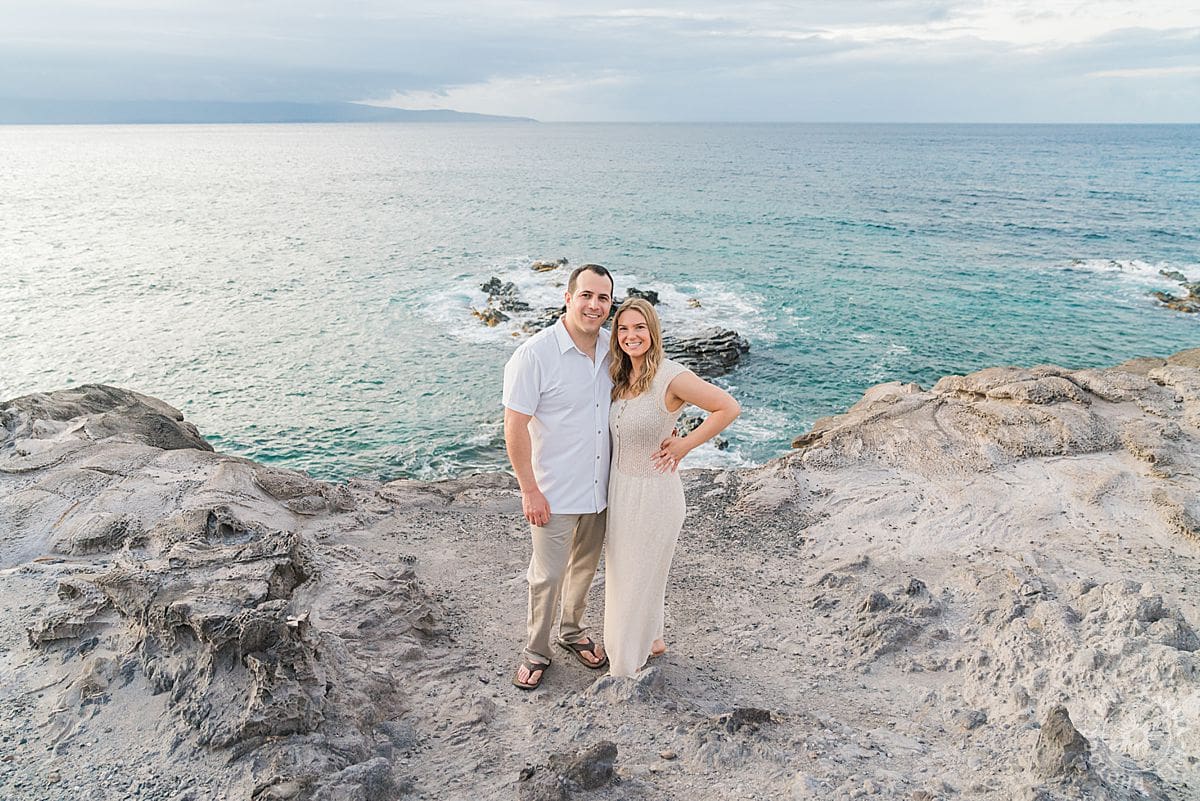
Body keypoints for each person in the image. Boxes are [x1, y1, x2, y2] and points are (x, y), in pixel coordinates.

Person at [603, 297, 740, 677]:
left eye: (639, 327)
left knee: (633, 578)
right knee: (627, 574)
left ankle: (623, 667)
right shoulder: (621, 376)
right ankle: (653, 640)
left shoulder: (671, 376)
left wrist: (685, 444)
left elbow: (728, 407)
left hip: (654, 495)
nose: (631, 335)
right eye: (623, 329)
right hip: (621, 489)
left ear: (653, 331)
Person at [503, 264, 616, 690]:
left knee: (584, 570)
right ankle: (536, 650)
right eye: (586, 295)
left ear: (610, 305)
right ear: (568, 298)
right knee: (546, 577)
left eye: (603, 298)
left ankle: (572, 632)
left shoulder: (613, 349)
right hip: (554, 491)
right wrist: (528, 490)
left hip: (601, 489)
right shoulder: (534, 355)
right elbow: (514, 426)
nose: (594, 305)